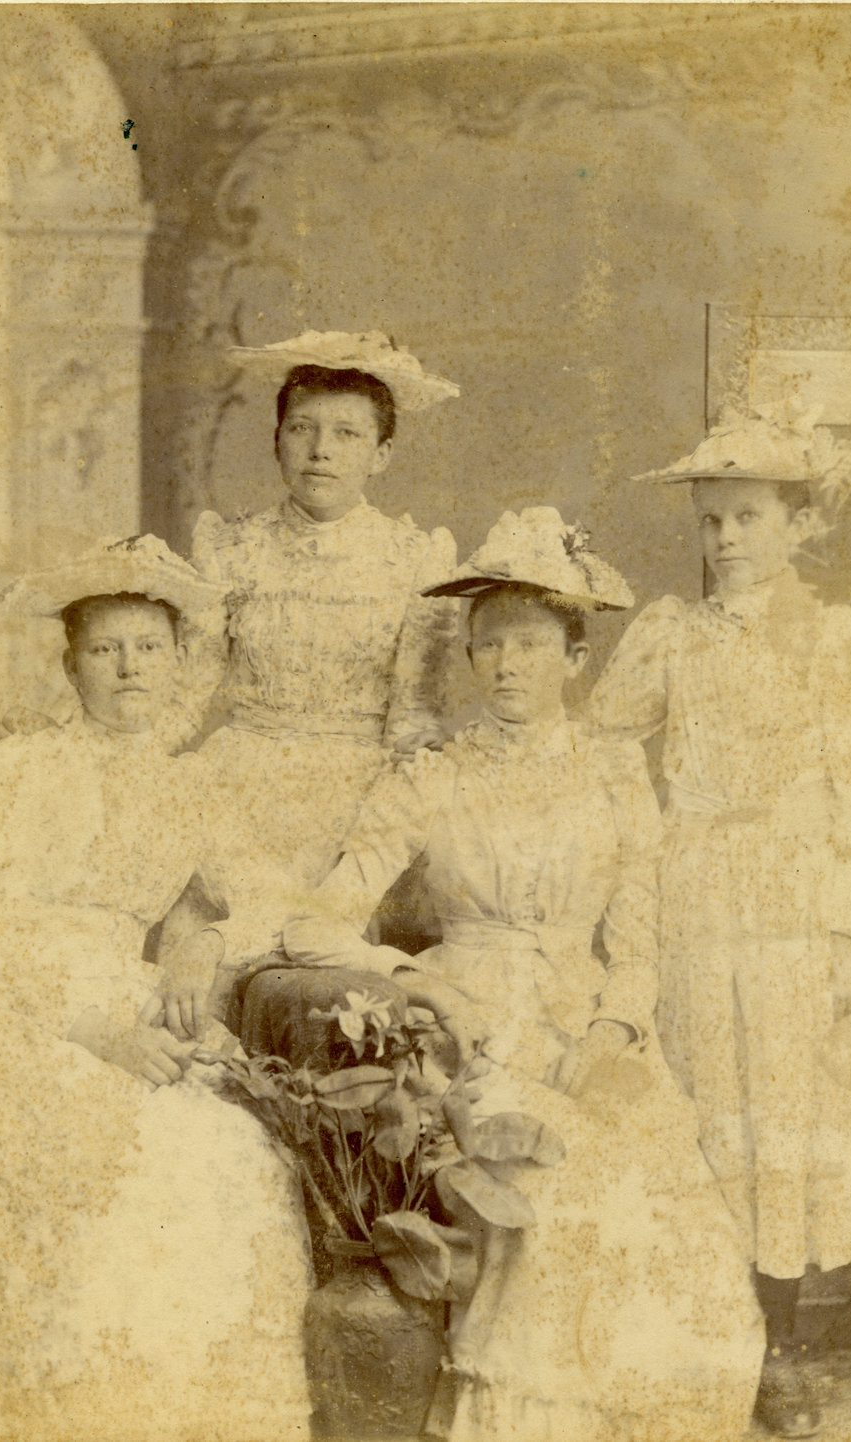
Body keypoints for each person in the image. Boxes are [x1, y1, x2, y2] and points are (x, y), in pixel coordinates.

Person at [281, 508, 765, 1442]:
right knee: (542, 1182)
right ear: (467, 655)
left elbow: (639, 937)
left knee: (651, 1186)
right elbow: (315, 921)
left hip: (584, 1016)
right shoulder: (432, 771)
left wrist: (615, 1028)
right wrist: (416, 982)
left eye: (532, 645)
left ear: (575, 658)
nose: (507, 665)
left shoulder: (619, 770)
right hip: (467, 1026)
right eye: (489, 644)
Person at [587, 410, 851, 1438]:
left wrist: (824, 874)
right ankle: (716, 1327)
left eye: (746, 517)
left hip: (798, 898)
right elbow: (603, 752)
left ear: (797, 523)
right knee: (706, 1089)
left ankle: (786, 1341)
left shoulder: (847, 633)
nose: (725, 539)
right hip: (695, 891)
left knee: (789, 1098)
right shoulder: (668, 633)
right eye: (709, 521)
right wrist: (644, 842)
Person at [0, 537, 312, 1442]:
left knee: (226, 1151)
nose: (129, 667)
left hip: (128, 990)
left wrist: (202, 941)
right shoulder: (17, 769)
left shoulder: (192, 786)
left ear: (180, 661)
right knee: (80, 1151)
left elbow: (272, 900)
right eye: (105, 649)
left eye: (148, 645)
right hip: (14, 1005)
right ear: (71, 666)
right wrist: (96, 1032)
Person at [163, 329, 461, 1022]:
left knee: (326, 996)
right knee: (207, 993)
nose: (321, 450)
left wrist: (380, 834)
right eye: (302, 428)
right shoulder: (230, 547)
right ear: (276, 441)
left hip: (352, 806)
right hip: (234, 792)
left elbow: (416, 720)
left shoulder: (417, 560)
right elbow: (187, 691)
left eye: (348, 434)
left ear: (382, 454)